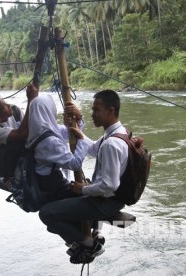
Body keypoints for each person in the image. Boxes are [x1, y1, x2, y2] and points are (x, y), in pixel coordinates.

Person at [39, 90, 129, 264]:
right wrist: (78, 132)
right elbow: (95, 149)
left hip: (105, 203)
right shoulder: (117, 133)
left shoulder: (111, 143)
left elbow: (109, 185)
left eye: (96, 110)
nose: (92, 114)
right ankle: (91, 235)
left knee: (46, 214)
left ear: (110, 111)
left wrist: (83, 189)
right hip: (109, 199)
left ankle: (88, 245)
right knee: (55, 219)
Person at [26, 94, 89, 202]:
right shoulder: (49, 141)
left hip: (44, 181)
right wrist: (82, 140)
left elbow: (68, 132)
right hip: (51, 187)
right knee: (86, 195)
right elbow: (75, 164)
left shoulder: (36, 129)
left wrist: (78, 119)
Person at [0, 84, 38, 178]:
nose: (8, 105)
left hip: (10, 155)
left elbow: (30, 126)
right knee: (18, 142)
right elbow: (22, 133)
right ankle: (11, 176)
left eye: (5, 102)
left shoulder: (14, 111)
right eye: (3, 106)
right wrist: (31, 100)